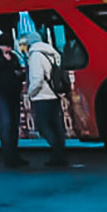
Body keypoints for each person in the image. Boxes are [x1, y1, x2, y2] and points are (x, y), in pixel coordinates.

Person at [0, 27, 28, 169]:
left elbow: (17, 70)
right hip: (0, 93)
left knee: (14, 124)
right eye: (6, 45)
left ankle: (15, 154)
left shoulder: (12, 56)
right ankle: (9, 156)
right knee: (6, 123)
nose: (8, 48)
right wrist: (4, 60)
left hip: (13, 92)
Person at [26, 29, 69, 167]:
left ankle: (57, 153)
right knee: (56, 126)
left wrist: (30, 93)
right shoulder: (51, 52)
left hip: (42, 96)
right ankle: (60, 155)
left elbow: (37, 79)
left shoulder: (35, 55)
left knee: (43, 126)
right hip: (54, 94)